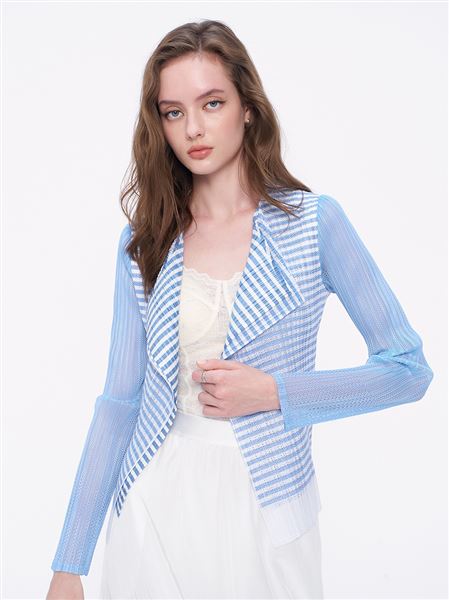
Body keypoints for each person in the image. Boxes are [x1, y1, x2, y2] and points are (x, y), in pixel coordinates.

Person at [46, 19, 434, 600]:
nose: (193, 128)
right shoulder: (146, 241)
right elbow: (120, 401)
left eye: (212, 103)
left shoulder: (314, 225)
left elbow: (407, 370)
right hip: (155, 498)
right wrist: (69, 561)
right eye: (173, 112)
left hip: (269, 506)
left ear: (248, 108)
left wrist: (276, 392)